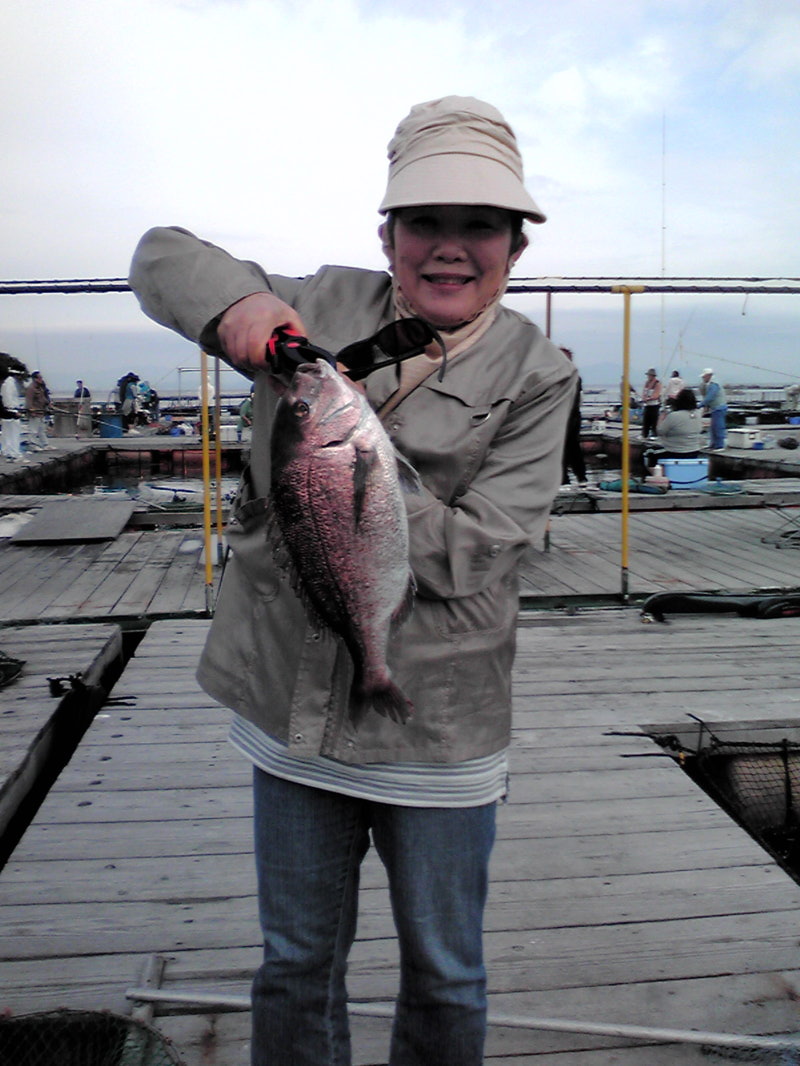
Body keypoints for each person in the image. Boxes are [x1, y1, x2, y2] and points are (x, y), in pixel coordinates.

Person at [129, 95, 576, 1066]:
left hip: (438, 725)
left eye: (479, 226)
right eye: (425, 221)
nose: (450, 248)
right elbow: (159, 253)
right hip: (291, 712)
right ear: (387, 233)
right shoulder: (319, 305)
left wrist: (337, 475)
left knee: (447, 971)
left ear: (515, 245)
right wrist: (240, 310)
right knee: (293, 960)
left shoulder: (538, 375)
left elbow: (482, 546)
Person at [643, 387, 701, 473]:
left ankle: (657, 477)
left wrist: (661, 416)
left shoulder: (674, 416)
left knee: (648, 454)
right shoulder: (697, 414)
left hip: (674, 452)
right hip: (694, 451)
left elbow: (660, 431)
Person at [559, 347, 587, 486]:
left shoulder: (564, 377)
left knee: (564, 448)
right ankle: (580, 477)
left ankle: (566, 479)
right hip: (572, 417)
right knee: (572, 448)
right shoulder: (575, 378)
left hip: (567, 417)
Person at [699, 367, 728, 450]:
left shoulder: (714, 385)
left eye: (704, 376)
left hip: (719, 407)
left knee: (718, 426)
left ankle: (720, 445)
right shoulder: (710, 384)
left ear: (709, 376)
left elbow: (710, 397)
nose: (703, 378)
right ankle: (713, 444)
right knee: (713, 427)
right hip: (715, 408)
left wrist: (700, 405)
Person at [1, 368, 24, 462]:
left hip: (7, 411)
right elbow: (9, 398)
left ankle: (7, 451)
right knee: (14, 433)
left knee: (7, 434)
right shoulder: (10, 383)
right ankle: (15, 454)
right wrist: (14, 411)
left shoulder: (6, 383)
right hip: (11, 410)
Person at [24, 370, 51, 450]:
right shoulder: (31, 388)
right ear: (35, 379)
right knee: (33, 430)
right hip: (35, 412)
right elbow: (28, 401)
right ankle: (32, 445)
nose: (41, 379)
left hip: (41, 412)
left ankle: (45, 444)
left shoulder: (40, 388)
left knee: (42, 429)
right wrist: (31, 411)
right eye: (40, 377)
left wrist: (48, 404)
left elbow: (43, 398)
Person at [640, 367, 661, 438]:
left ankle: (654, 434)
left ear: (653, 376)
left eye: (649, 375)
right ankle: (644, 434)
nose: (648, 377)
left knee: (654, 420)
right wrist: (643, 397)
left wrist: (648, 398)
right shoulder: (646, 383)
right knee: (646, 420)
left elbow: (656, 395)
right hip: (647, 405)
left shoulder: (657, 383)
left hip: (654, 405)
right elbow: (644, 392)